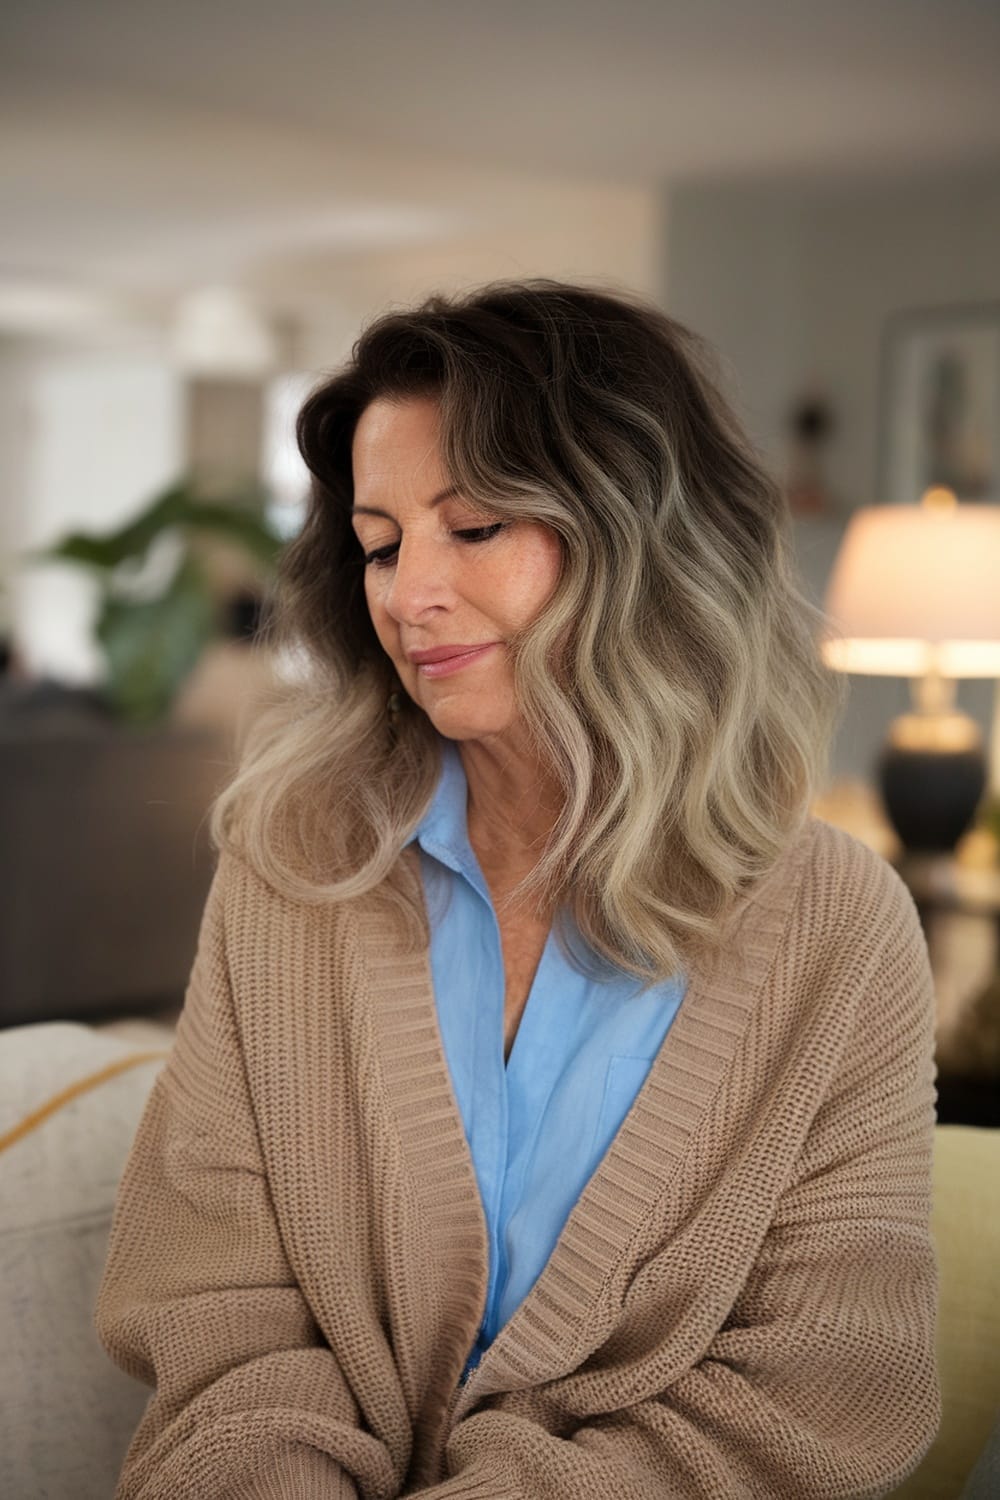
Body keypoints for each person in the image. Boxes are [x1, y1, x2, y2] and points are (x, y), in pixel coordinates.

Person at [96, 279, 940, 1499]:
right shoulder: (296, 868)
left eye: (475, 527)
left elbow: (823, 1383)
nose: (406, 594)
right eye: (381, 544)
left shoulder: (839, 929)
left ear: (640, 535)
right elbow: (215, 1305)